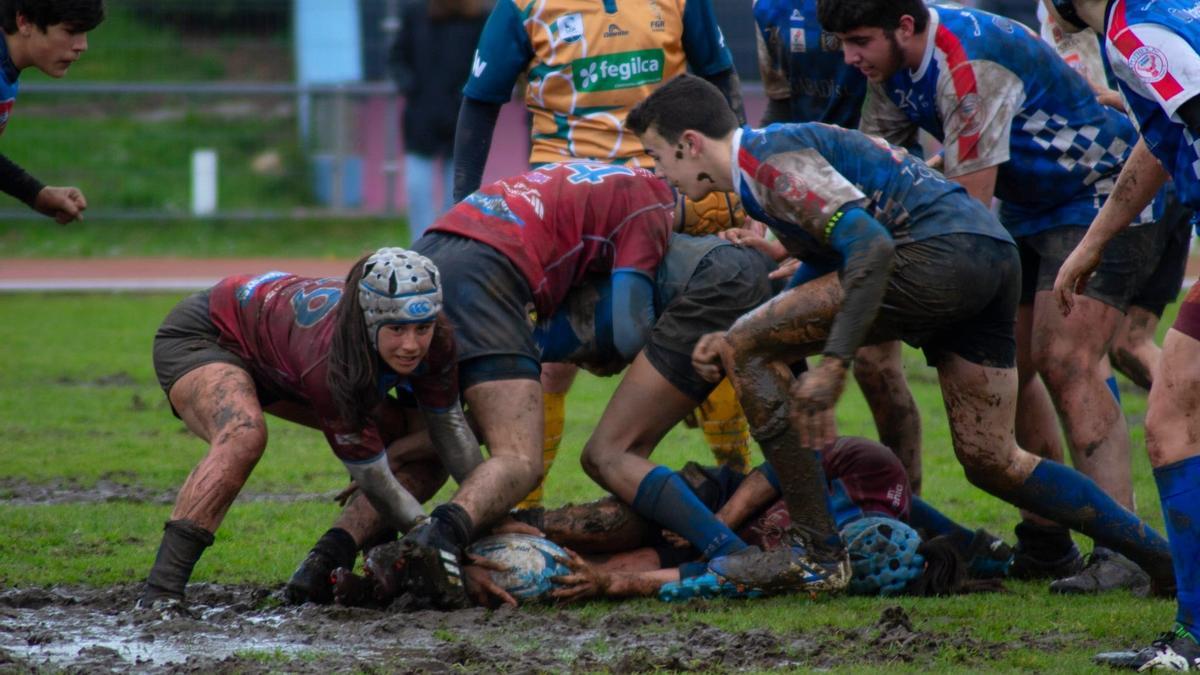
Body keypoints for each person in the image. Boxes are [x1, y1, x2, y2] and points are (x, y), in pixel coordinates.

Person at [625, 73, 1175, 596]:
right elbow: (838, 257)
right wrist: (767, 321)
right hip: (988, 253)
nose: (659, 172)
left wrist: (835, 361)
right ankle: (1161, 560)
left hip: (937, 256)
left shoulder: (766, 159)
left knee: (745, 345)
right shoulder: (771, 160)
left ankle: (816, 554)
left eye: (657, 155)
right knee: (991, 458)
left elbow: (870, 246)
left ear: (690, 143)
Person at [819, 0, 1165, 591]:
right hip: (1032, 204)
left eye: (858, 41)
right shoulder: (889, 68)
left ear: (904, 27)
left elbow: (966, 208)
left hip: (1101, 190)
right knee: (1013, 364)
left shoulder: (967, 62)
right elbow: (871, 175)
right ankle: (1048, 541)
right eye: (842, 44)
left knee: (1067, 359)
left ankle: (1125, 552)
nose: (850, 58)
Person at [453, 0, 754, 512]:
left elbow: (720, 76)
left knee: (714, 337)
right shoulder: (523, 7)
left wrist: (743, 183)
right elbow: (480, 100)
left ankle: (742, 485)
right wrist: (462, 204)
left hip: (670, 197)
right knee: (550, 366)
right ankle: (525, 517)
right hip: (569, 209)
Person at [394, 161, 675, 609]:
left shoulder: (598, 175)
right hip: (490, 268)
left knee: (422, 450)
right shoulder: (656, 201)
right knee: (521, 460)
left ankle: (333, 553)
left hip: (433, 248)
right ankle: (440, 537)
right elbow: (627, 330)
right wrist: (610, 355)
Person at [140, 248, 486, 608]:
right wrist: (435, 540)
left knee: (416, 446)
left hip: (281, 355)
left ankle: (335, 561)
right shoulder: (332, 359)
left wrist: (486, 516)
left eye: (422, 328)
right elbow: (373, 476)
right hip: (207, 334)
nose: (411, 345)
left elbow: (449, 428)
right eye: (396, 329)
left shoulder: (439, 335)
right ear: (368, 322)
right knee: (243, 436)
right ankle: (161, 592)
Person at [1048, 0, 1200, 667]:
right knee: (1175, 421)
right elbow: (1162, 139)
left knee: (1172, 424)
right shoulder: (1160, 14)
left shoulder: (1131, 28)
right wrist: (1094, 242)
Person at [750, 0, 925, 493]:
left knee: (875, 363)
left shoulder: (877, 15)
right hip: (805, 200)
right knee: (771, 344)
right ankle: (805, 493)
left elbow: (906, 110)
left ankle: (906, 501)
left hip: (875, 196)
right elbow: (779, 102)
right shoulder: (770, 12)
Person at [547, 436, 1009, 603]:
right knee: (594, 524)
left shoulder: (814, 574)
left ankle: (498, 552)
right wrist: (716, 525)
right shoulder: (877, 472)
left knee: (585, 572)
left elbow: (710, 579)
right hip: (723, 503)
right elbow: (787, 463)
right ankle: (505, 517)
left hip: (722, 552)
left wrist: (614, 585)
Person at [390, 0, 488, 242]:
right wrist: (409, 86)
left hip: (463, 121)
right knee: (417, 190)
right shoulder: (415, 14)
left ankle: (448, 247)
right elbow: (397, 57)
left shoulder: (480, 19)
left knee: (457, 197)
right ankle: (421, 246)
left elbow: (486, 63)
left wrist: (471, 96)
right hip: (421, 118)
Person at [0, 0, 103, 224]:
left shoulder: (7, 72)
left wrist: (36, 194)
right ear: (24, 22)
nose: (82, 45)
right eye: (71, 31)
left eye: (84, 32)